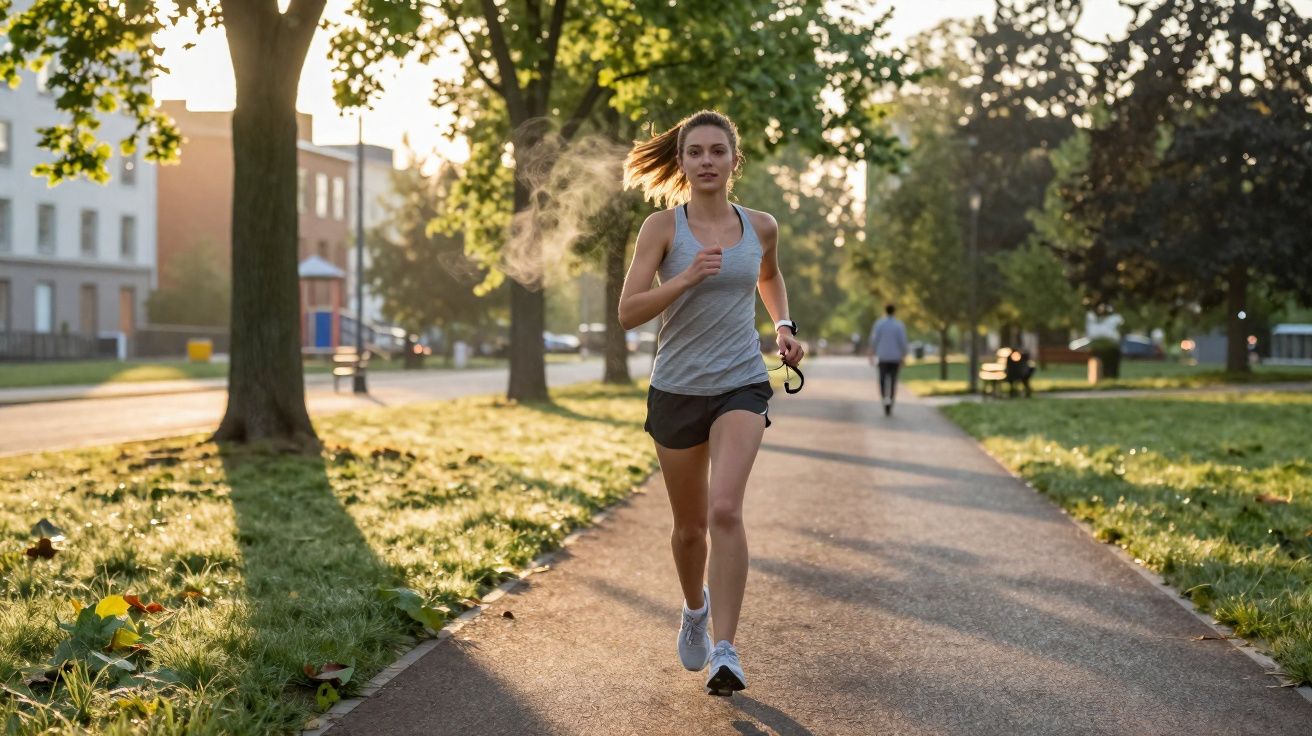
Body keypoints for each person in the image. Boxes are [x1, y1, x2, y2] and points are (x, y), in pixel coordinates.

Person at [618, 110, 804, 697]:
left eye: (717, 151)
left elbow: (769, 277)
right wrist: (685, 278)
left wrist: (783, 325)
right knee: (689, 529)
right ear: (681, 162)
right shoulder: (661, 229)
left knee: (725, 510)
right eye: (695, 152)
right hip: (676, 388)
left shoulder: (761, 226)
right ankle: (694, 609)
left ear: (733, 160)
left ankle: (726, 650)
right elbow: (628, 312)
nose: (706, 161)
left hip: (740, 383)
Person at [868, 303, 908, 416]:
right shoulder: (899, 325)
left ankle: (884, 400)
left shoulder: (879, 324)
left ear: (885, 311)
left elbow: (874, 340)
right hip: (895, 358)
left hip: (883, 357)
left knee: (882, 380)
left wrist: (871, 355)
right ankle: (890, 402)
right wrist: (904, 356)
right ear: (894, 312)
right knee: (893, 381)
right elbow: (903, 342)